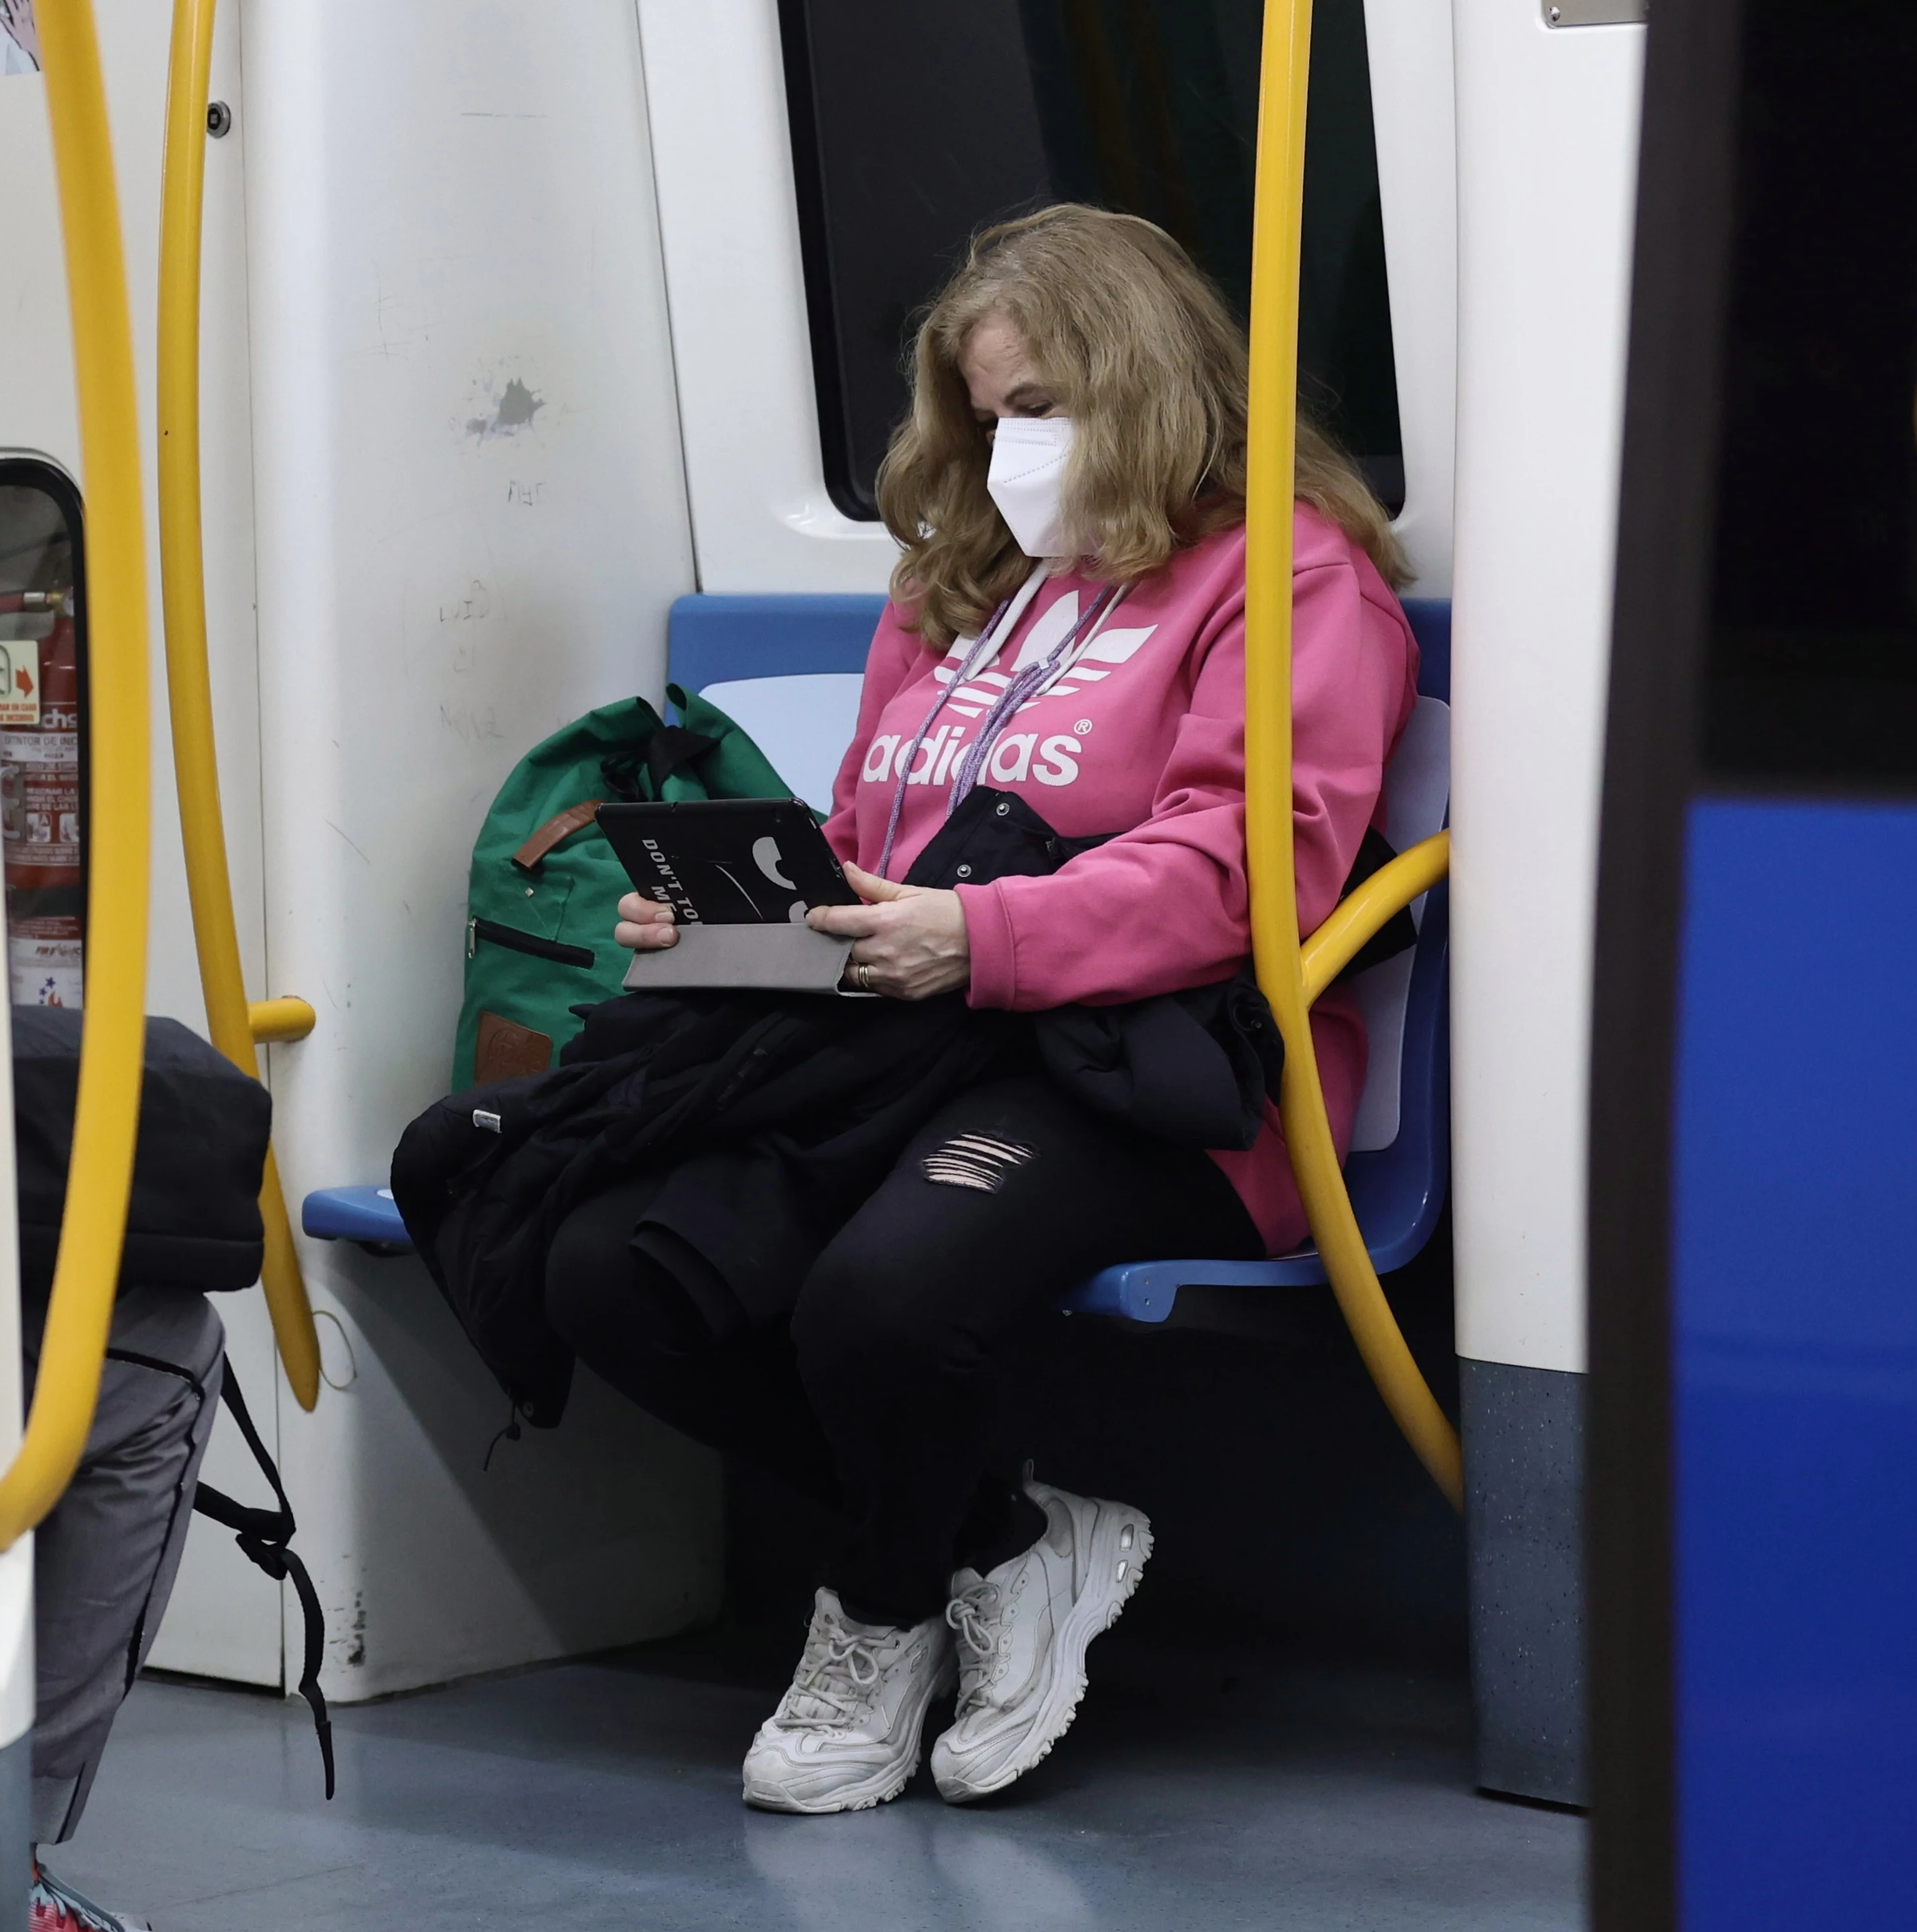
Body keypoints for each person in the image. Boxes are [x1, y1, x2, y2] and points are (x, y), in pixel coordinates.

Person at [569, 204, 1416, 1813]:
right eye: (983, 415)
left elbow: (1252, 865)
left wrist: (984, 934)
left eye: (1039, 408)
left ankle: (877, 1609)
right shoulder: (952, 584)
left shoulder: (1290, 577)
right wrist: (728, 923)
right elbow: (866, 844)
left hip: (1151, 1065)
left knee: (877, 1300)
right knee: (606, 1264)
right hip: (910, 1037)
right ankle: (1005, 1544)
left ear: (1145, 383)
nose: (1006, 449)